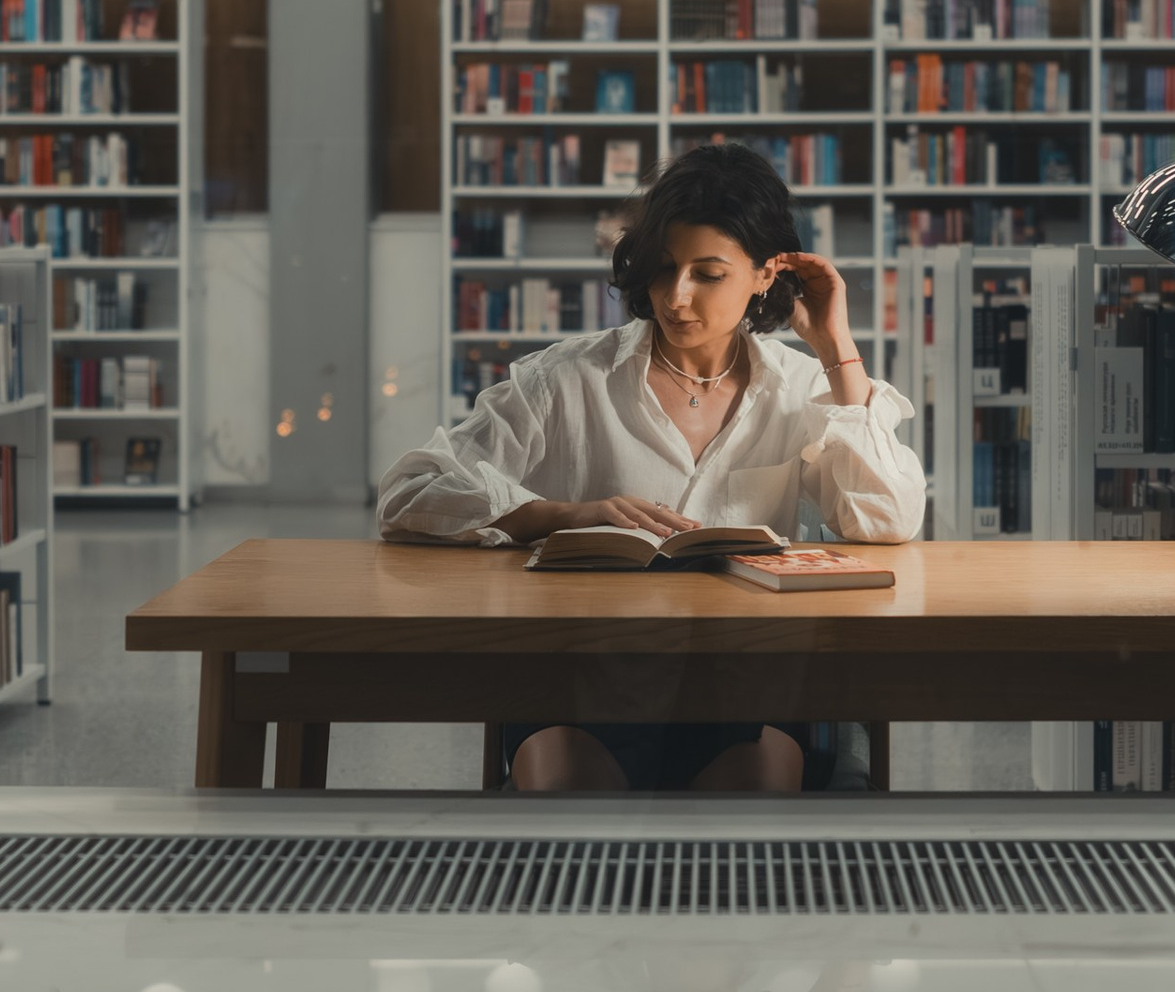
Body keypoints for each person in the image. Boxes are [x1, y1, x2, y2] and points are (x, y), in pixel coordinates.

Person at [378, 142, 924, 794]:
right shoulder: (566, 379)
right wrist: (557, 516)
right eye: (664, 269)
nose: (676, 297)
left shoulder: (802, 386)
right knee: (569, 801)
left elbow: (887, 519)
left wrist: (837, 348)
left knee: (750, 806)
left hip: (743, 685)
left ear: (766, 274)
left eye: (708, 273)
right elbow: (409, 490)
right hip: (582, 681)